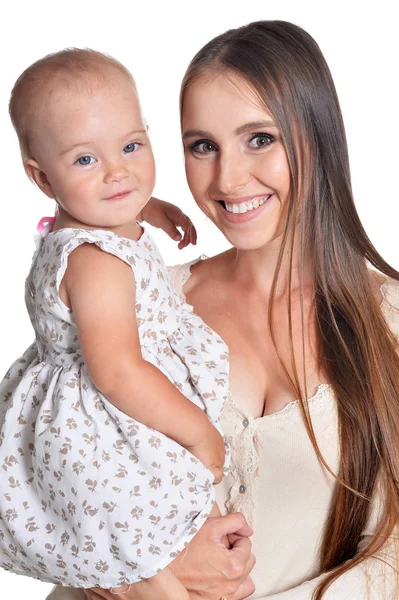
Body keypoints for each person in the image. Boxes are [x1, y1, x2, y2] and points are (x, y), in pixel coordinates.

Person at [53, 19, 399, 600]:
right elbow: (33, 470)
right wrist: (138, 576)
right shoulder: (134, 300)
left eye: (259, 138)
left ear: (316, 135)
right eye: (203, 147)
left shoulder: (388, 320)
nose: (229, 178)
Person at [0, 47, 244, 598]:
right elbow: (118, 373)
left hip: (90, 411)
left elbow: (113, 192)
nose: (119, 172)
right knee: (137, 544)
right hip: (104, 429)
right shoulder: (98, 263)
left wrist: (150, 207)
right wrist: (200, 433)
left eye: (132, 146)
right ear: (42, 178)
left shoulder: (95, 220)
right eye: (86, 160)